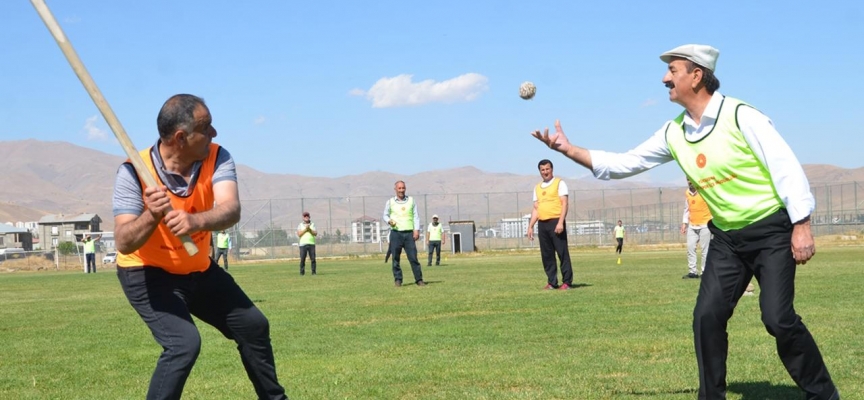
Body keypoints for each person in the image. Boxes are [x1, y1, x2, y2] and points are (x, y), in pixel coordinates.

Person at [531, 44, 839, 399]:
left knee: (777, 319)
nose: (665, 78)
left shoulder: (741, 116)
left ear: (697, 76)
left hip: (771, 231)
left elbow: (785, 166)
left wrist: (801, 224)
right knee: (706, 317)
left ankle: (824, 395)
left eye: (672, 71)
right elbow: (623, 164)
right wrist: (570, 150)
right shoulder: (673, 133)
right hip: (726, 239)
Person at [112, 94, 288, 400]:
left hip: (198, 270)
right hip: (146, 273)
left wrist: (195, 222)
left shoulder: (217, 156)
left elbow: (231, 209)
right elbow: (124, 241)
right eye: (206, 128)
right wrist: (151, 216)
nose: (214, 133)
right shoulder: (132, 172)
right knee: (183, 344)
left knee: (253, 325)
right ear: (181, 137)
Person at [526, 159, 574, 290]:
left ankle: (567, 282)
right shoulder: (537, 188)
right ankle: (552, 282)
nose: (545, 172)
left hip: (556, 222)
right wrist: (530, 226)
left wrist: (560, 222)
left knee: (562, 253)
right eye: (542, 170)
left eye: (547, 169)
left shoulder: (560, 183)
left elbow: (564, 203)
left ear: (552, 169)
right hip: (542, 224)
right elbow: (536, 208)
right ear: (540, 171)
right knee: (547, 255)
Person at [382, 180, 425, 287]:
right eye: (399, 188)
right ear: (395, 189)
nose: (401, 190)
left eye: (403, 188)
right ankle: (398, 280)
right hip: (396, 233)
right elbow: (385, 215)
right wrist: (389, 221)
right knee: (395, 258)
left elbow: (415, 216)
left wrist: (416, 230)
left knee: (413, 258)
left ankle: (419, 280)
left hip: (409, 234)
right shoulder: (390, 202)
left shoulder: (411, 201)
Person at [681, 178, 712, 279]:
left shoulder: (704, 191)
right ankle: (692, 272)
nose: (690, 182)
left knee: (705, 250)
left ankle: (705, 272)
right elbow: (687, 209)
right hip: (692, 225)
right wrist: (684, 223)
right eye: (688, 180)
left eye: (691, 180)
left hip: (705, 225)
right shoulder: (687, 193)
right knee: (690, 248)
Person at [296, 211, 317, 275]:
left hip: (311, 244)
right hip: (303, 244)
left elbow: (315, 233)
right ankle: (302, 273)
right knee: (302, 259)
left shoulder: (313, 224)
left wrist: (309, 229)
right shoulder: (300, 225)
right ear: (303, 218)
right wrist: (305, 229)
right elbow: (299, 234)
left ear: (309, 217)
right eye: (305, 216)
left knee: (313, 259)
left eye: (307, 216)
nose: (306, 217)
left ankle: (313, 272)